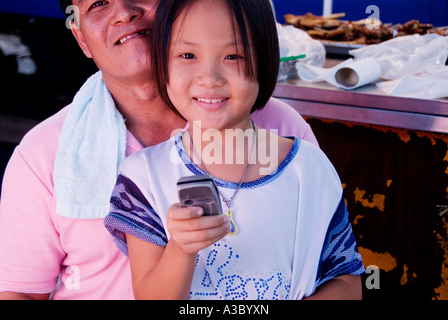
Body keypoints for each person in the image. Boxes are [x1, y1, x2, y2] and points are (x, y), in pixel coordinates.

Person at [0, 0, 319, 300]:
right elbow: (20, 292)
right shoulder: (43, 154)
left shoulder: (280, 130)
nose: (123, 12)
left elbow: (324, 268)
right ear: (82, 38)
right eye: (98, 3)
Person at [104, 0, 364, 300]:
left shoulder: (310, 169)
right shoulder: (143, 178)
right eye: (187, 55)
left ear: (265, 62)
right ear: (163, 64)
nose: (210, 78)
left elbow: (348, 284)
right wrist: (181, 248)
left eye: (233, 56)